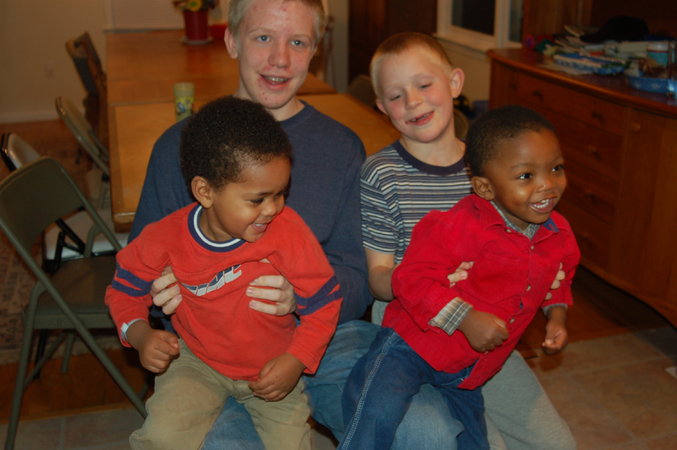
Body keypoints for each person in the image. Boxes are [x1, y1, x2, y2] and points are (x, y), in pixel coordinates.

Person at [134, 2, 576, 448]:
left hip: (331, 339)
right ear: (232, 41)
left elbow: (358, 274)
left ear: (316, 52)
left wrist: (300, 298)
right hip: (213, 351)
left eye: (298, 42)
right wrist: (160, 290)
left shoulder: (341, 147)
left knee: (433, 432)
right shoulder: (180, 146)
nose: (280, 58)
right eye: (263, 37)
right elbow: (138, 273)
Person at [357, 32, 577, 450]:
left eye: (424, 84)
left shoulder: (504, 160)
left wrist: (552, 307)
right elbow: (379, 278)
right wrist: (434, 282)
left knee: (557, 444)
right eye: (397, 96)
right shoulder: (381, 174)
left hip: (490, 325)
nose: (414, 102)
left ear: (455, 83)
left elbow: (545, 248)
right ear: (382, 107)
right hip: (413, 324)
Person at [106, 96, 342, 449]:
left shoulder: (288, 231)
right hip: (195, 363)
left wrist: (296, 360)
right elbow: (123, 291)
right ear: (205, 192)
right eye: (257, 199)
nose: (273, 209)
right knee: (160, 438)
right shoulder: (164, 237)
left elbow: (325, 303)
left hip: (273, 369)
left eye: (280, 194)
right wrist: (140, 334)